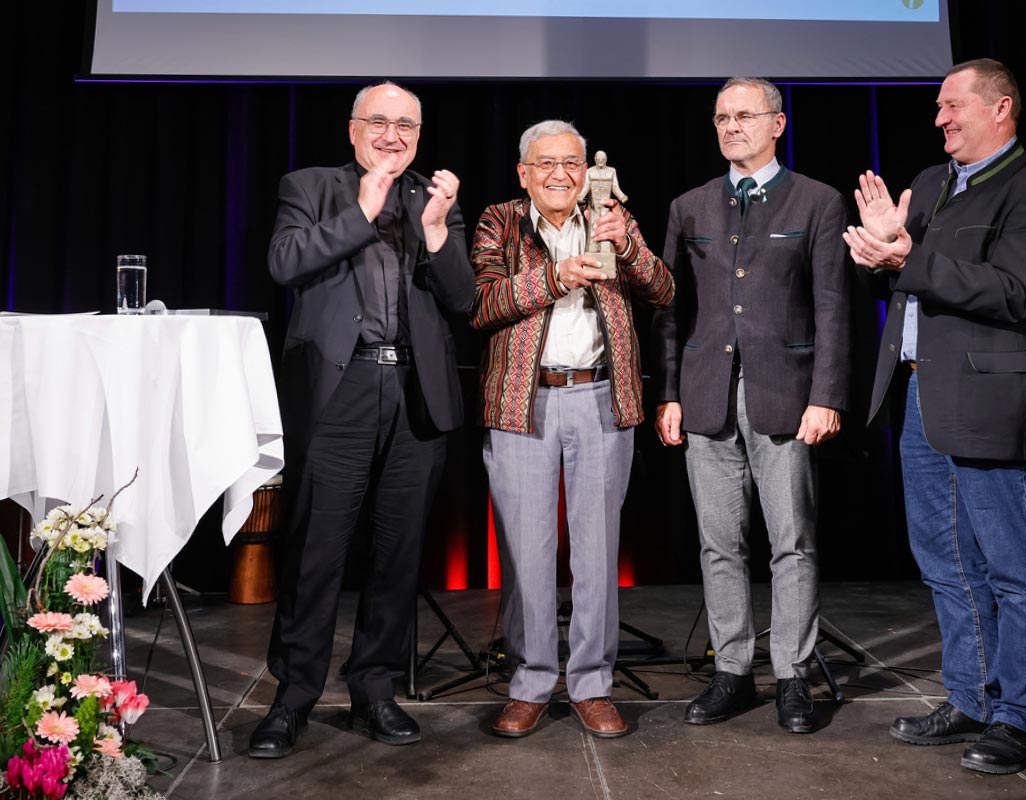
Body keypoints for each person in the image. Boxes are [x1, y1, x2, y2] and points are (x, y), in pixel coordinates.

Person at [843, 58, 1026, 774]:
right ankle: (971, 698)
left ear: (1000, 108)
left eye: (953, 105)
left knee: (1015, 567)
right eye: (939, 107)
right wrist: (877, 254)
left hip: (989, 402)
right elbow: (901, 279)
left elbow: (1013, 292)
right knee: (947, 562)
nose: (940, 118)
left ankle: (1020, 716)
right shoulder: (931, 182)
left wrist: (906, 257)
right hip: (920, 395)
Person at [251, 82, 474, 759]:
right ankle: (292, 698)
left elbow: (463, 298)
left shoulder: (434, 199)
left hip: (414, 392)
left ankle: (375, 689)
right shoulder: (311, 186)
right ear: (354, 130)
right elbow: (284, 262)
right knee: (316, 552)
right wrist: (362, 211)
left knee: (397, 554)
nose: (392, 135)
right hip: (339, 392)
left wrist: (438, 231)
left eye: (406, 125)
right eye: (379, 121)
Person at [653, 76, 850, 735]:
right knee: (718, 545)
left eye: (744, 115)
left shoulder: (817, 201)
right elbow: (671, 311)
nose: (731, 127)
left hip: (785, 397)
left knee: (792, 542)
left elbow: (832, 307)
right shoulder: (689, 205)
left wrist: (825, 396)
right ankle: (732, 673)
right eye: (721, 118)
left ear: (777, 124)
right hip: (705, 396)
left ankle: (793, 676)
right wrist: (669, 392)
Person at [471, 120, 674, 739]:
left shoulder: (611, 215)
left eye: (571, 163)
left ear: (587, 171)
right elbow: (482, 305)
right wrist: (555, 278)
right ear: (524, 173)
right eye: (546, 163)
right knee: (526, 551)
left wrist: (628, 247)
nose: (560, 174)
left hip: (601, 398)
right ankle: (530, 682)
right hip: (523, 401)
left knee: (597, 550)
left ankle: (592, 684)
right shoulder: (500, 221)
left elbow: (663, 291)